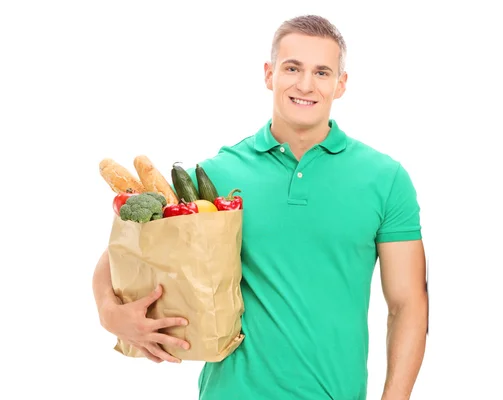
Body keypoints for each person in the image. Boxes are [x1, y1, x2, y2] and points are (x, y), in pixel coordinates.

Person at [93, 14, 428, 400]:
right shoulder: (216, 177)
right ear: (269, 75)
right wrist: (110, 313)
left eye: (322, 72)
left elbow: (407, 305)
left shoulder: (385, 180)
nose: (305, 84)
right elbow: (122, 252)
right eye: (292, 68)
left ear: (341, 84)